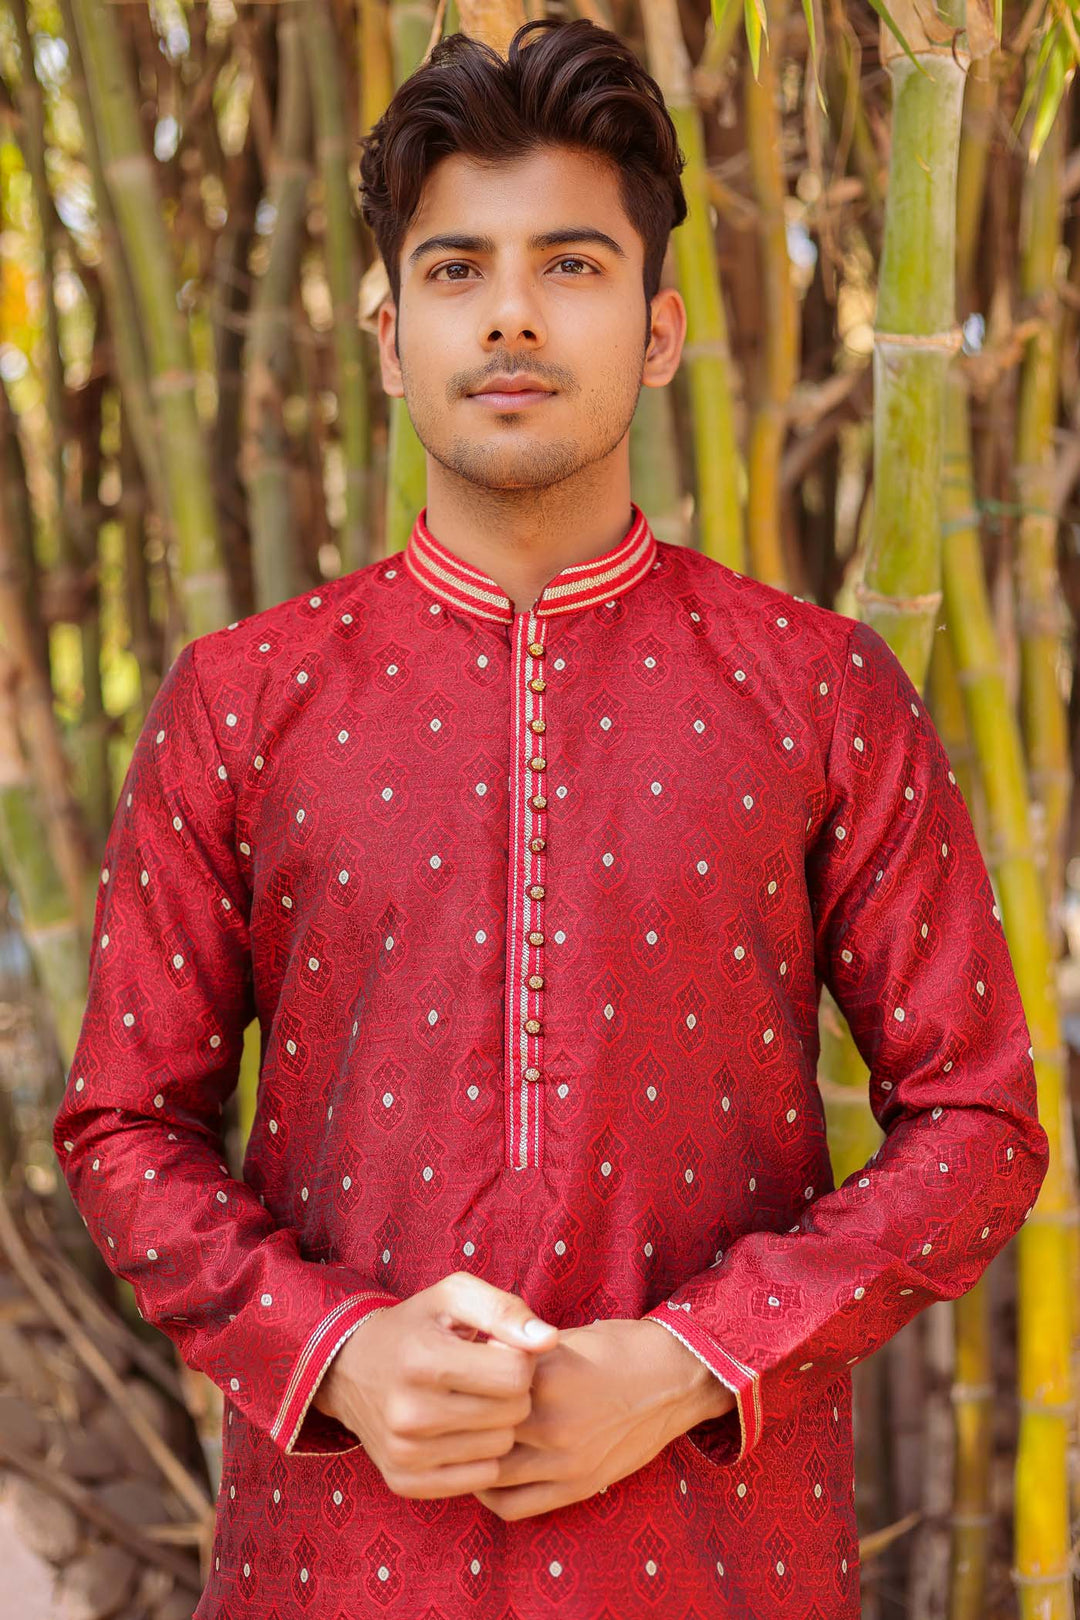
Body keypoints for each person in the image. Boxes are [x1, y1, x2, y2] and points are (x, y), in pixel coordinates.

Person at [53, 16, 1049, 1619]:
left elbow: (980, 1122)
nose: (511, 312)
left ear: (658, 333)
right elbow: (121, 1128)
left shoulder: (818, 690)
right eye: (457, 272)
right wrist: (339, 1352)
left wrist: (689, 1359)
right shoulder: (241, 700)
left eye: (570, 265)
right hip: (335, 1563)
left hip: (721, 1565)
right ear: (386, 334)